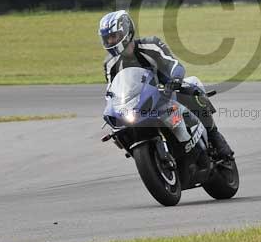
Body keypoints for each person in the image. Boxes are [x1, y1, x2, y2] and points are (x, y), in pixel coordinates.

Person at [99, 10, 234, 159]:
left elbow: (174, 64)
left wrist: (175, 80)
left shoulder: (151, 45)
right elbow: (112, 91)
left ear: (126, 31)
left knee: (192, 85)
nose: (111, 41)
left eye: (114, 36)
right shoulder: (110, 64)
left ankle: (214, 135)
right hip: (139, 104)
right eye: (107, 38)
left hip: (166, 91)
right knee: (120, 131)